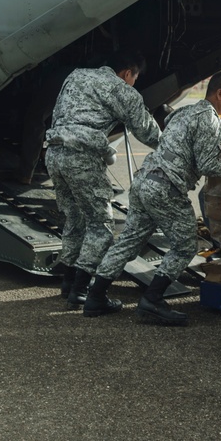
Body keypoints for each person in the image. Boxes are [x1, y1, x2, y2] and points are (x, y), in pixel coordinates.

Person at [82, 72, 221, 324]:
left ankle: (95, 297)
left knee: (129, 240)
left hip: (144, 181)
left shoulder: (185, 111)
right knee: (185, 246)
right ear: (220, 93)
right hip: (166, 188)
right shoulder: (210, 120)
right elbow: (209, 165)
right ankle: (152, 301)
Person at [46, 51, 162, 309]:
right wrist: (173, 146)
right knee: (100, 225)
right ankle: (81, 290)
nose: (133, 84)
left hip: (54, 153)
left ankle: (68, 282)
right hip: (82, 158)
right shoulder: (121, 89)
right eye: (134, 78)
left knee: (74, 219)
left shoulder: (76, 76)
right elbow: (147, 131)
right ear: (127, 73)